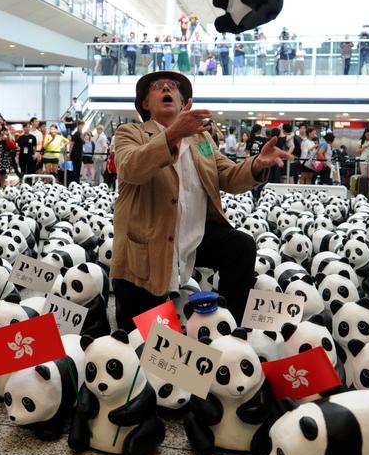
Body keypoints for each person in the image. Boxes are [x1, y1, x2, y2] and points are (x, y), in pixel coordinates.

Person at [110, 70, 291, 330]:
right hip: (147, 248)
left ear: (185, 104)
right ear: (145, 104)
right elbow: (130, 168)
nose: (166, 89)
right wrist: (172, 135)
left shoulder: (201, 139)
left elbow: (227, 175)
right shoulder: (130, 133)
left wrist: (256, 165)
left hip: (193, 237)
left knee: (240, 246)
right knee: (142, 342)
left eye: (173, 86)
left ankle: (231, 327)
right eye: (157, 86)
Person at [69, 121, 84, 186]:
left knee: (78, 169)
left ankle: (77, 181)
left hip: (79, 154)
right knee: (75, 169)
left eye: (83, 125)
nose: (82, 127)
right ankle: (75, 182)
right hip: (75, 154)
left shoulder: (81, 134)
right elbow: (71, 144)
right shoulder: (76, 134)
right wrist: (69, 153)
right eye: (81, 125)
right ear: (78, 126)